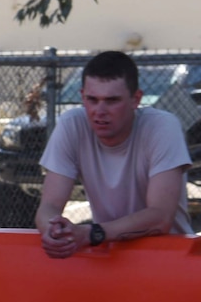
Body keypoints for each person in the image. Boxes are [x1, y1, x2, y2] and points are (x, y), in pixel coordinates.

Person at [37, 50, 192, 257]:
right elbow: (49, 205)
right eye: (92, 99)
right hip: (110, 257)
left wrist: (91, 233)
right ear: (82, 96)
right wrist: (54, 230)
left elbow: (160, 217)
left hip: (166, 258)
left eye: (111, 101)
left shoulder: (162, 126)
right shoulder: (71, 124)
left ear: (136, 99)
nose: (99, 111)